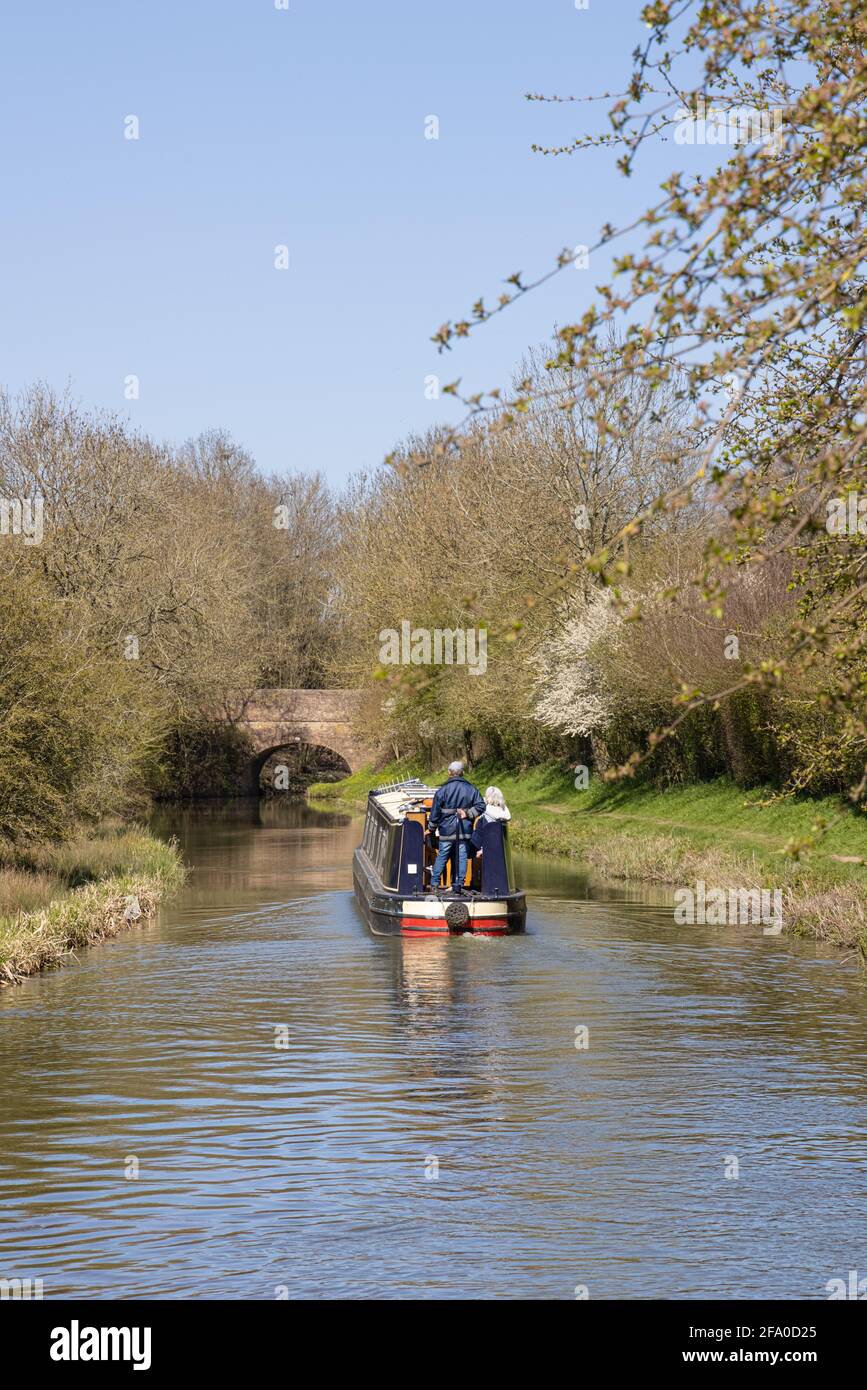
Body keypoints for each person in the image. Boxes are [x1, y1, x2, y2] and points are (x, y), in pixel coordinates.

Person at [428, 760, 485, 893]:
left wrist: (430, 828)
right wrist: (468, 813)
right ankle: (459, 885)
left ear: (449, 773)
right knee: (462, 857)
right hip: (464, 831)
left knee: (442, 856)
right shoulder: (471, 789)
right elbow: (481, 806)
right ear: (462, 773)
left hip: (446, 831)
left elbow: (435, 814)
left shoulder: (442, 791)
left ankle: (435, 884)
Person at [470, 786, 511, 856]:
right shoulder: (504, 810)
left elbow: (488, 834)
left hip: (478, 846)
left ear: (488, 797)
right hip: (497, 846)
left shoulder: (487, 811)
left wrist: (483, 850)